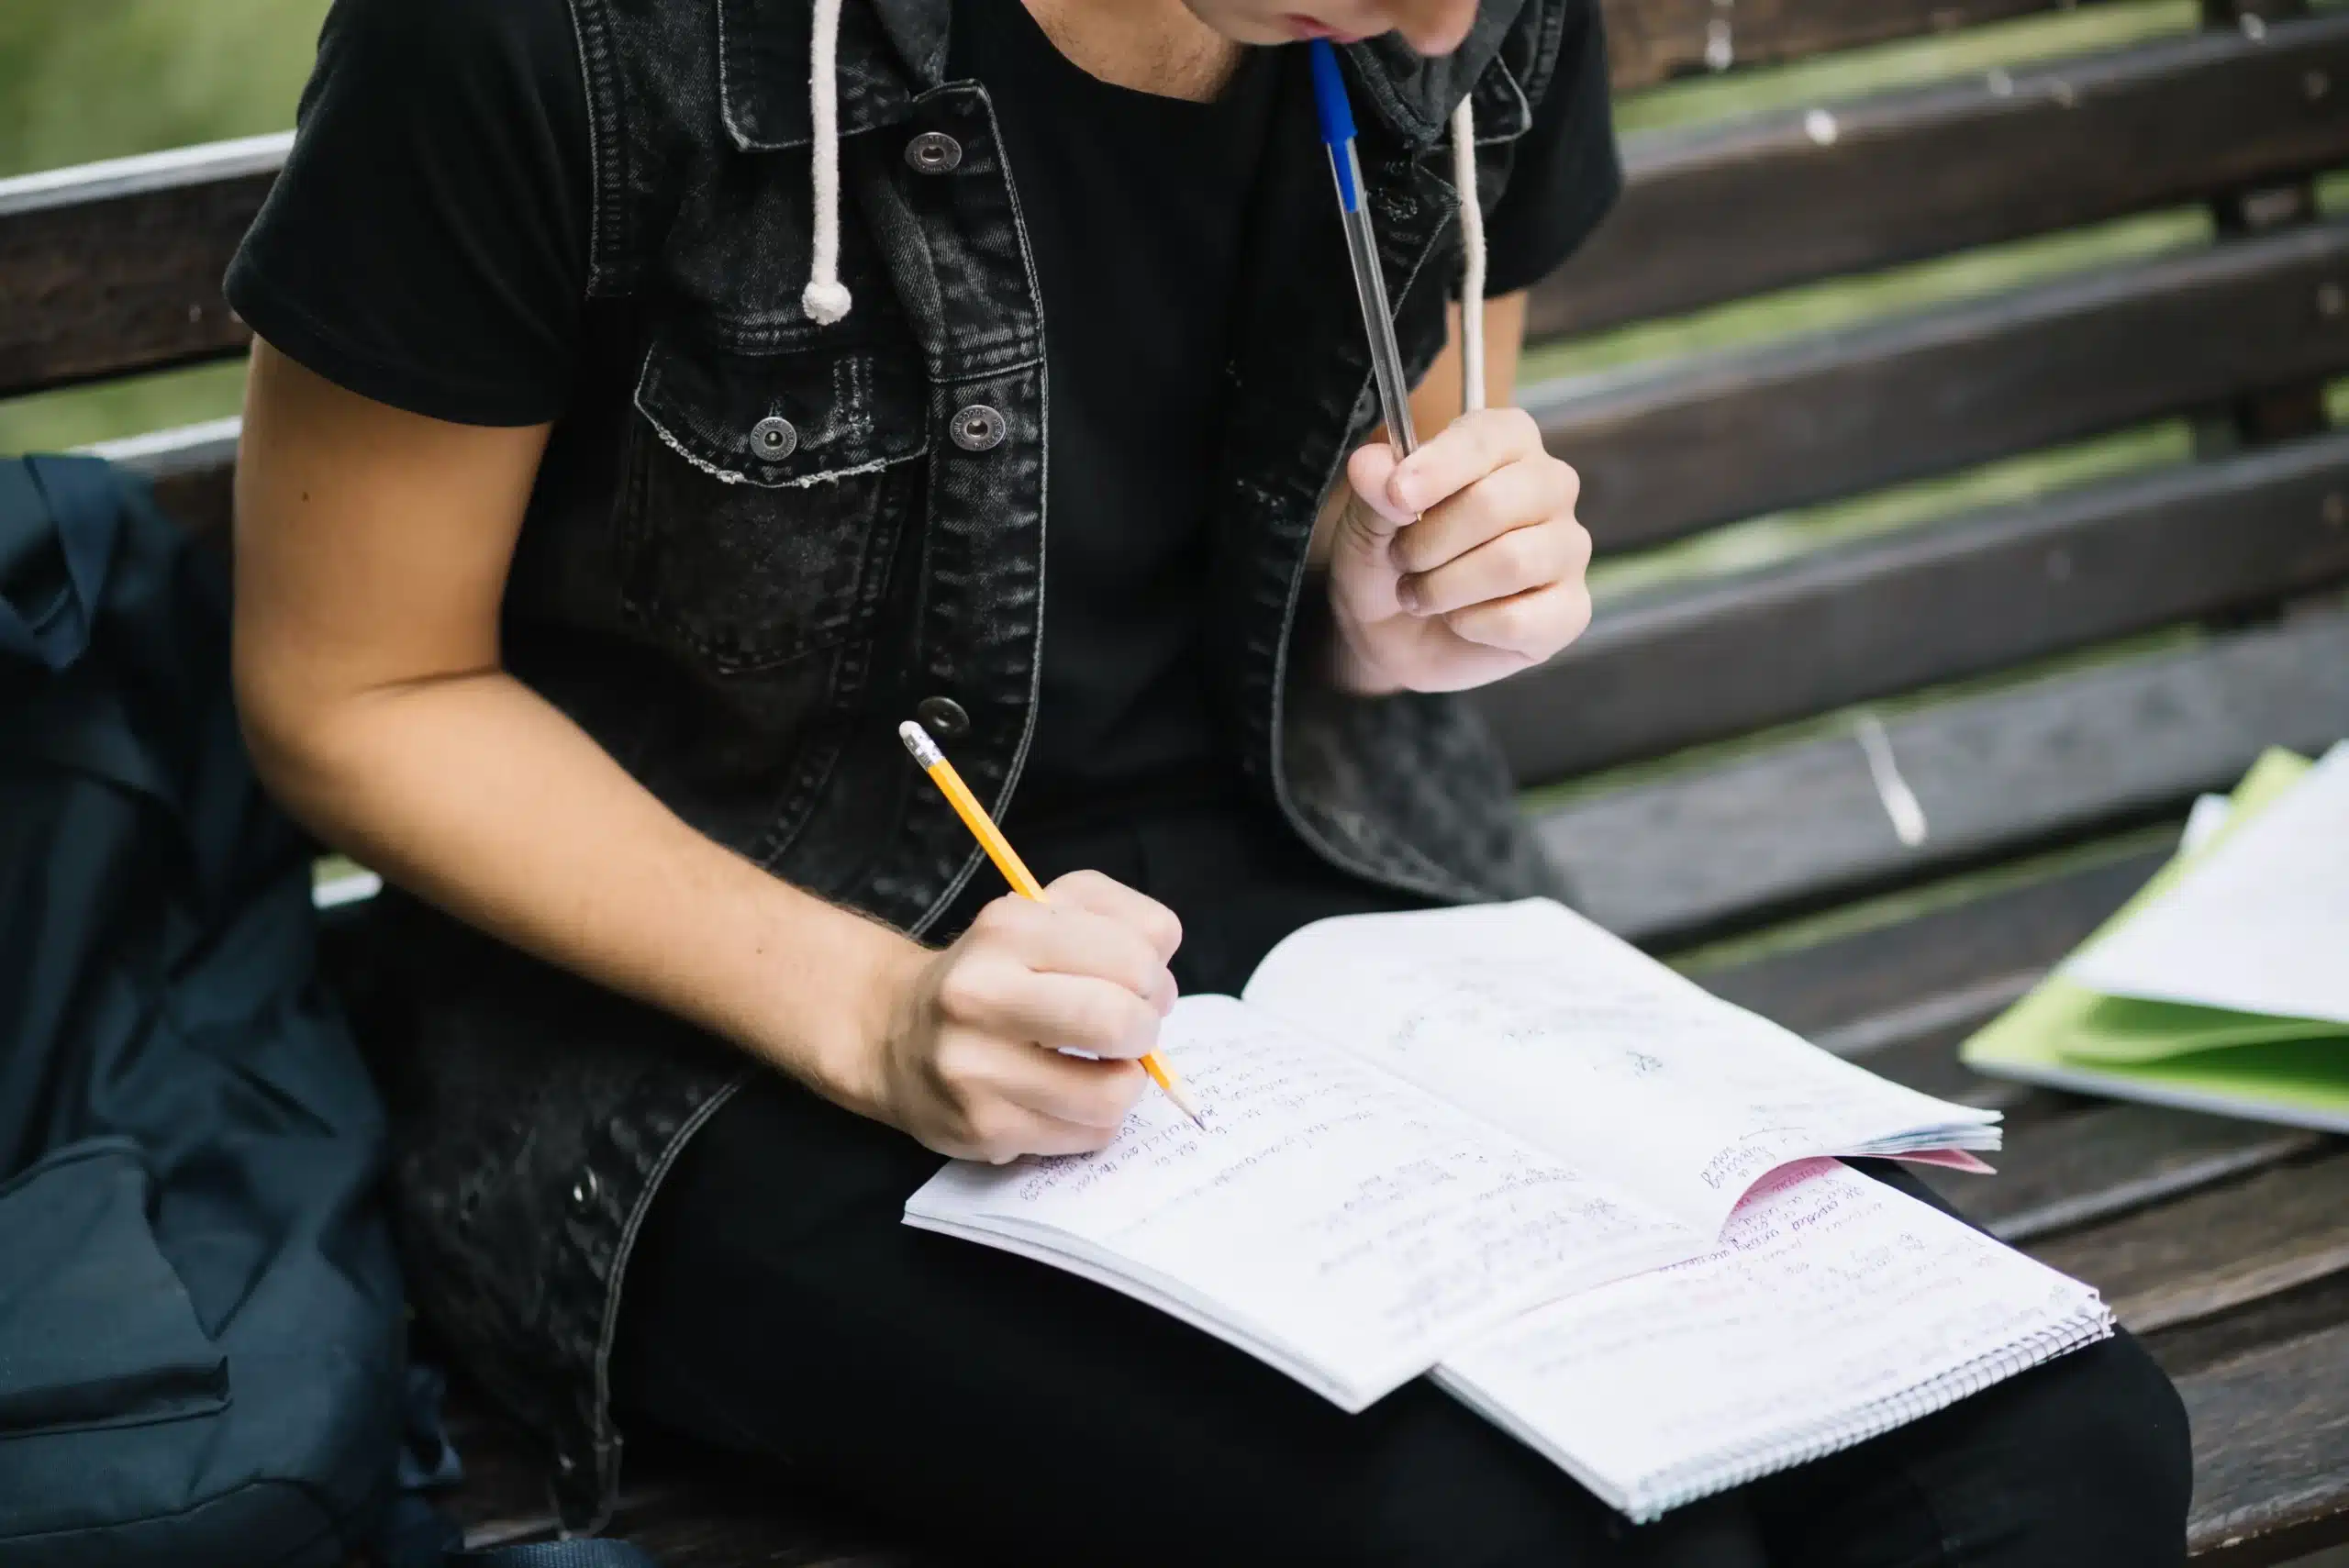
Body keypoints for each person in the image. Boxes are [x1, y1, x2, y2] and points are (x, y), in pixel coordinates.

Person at [222, 0, 2193, 1556]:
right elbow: (355, 686)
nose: (1447, 35)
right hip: (728, 1017)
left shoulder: (1458, 10)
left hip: (1317, 926)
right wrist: (883, 1012)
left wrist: (1395, 597)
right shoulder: (547, 31)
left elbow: (1395, 460)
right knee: (1514, 1528)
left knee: (2054, 1443)